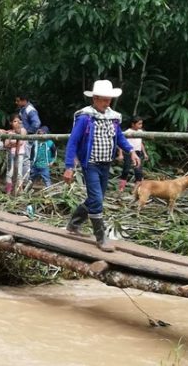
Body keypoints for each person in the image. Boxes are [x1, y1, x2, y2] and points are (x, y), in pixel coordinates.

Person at [63, 79, 139, 253]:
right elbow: (73, 141)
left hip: (105, 164)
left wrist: (131, 151)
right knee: (97, 200)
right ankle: (101, 237)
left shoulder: (113, 118)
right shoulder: (85, 117)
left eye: (109, 99)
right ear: (95, 99)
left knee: (95, 198)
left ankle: (73, 225)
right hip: (90, 164)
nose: (107, 103)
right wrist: (69, 166)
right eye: (104, 99)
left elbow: (119, 137)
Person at [118, 116, 149, 192]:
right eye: (139, 124)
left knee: (138, 171)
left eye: (141, 124)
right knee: (126, 169)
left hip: (138, 152)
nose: (140, 126)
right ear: (133, 124)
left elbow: (140, 143)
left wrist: (144, 153)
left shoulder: (141, 132)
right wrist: (121, 154)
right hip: (128, 152)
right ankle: (121, 188)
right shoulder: (127, 132)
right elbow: (122, 144)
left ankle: (136, 189)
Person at [3, 116, 29, 195]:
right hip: (11, 154)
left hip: (20, 154)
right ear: (11, 123)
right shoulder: (10, 132)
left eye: (18, 121)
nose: (17, 123)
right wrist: (13, 143)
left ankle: (19, 191)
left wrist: (11, 142)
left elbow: (20, 142)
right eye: (15, 121)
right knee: (10, 173)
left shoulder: (23, 130)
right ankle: (8, 190)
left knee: (19, 173)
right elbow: (6, 144)